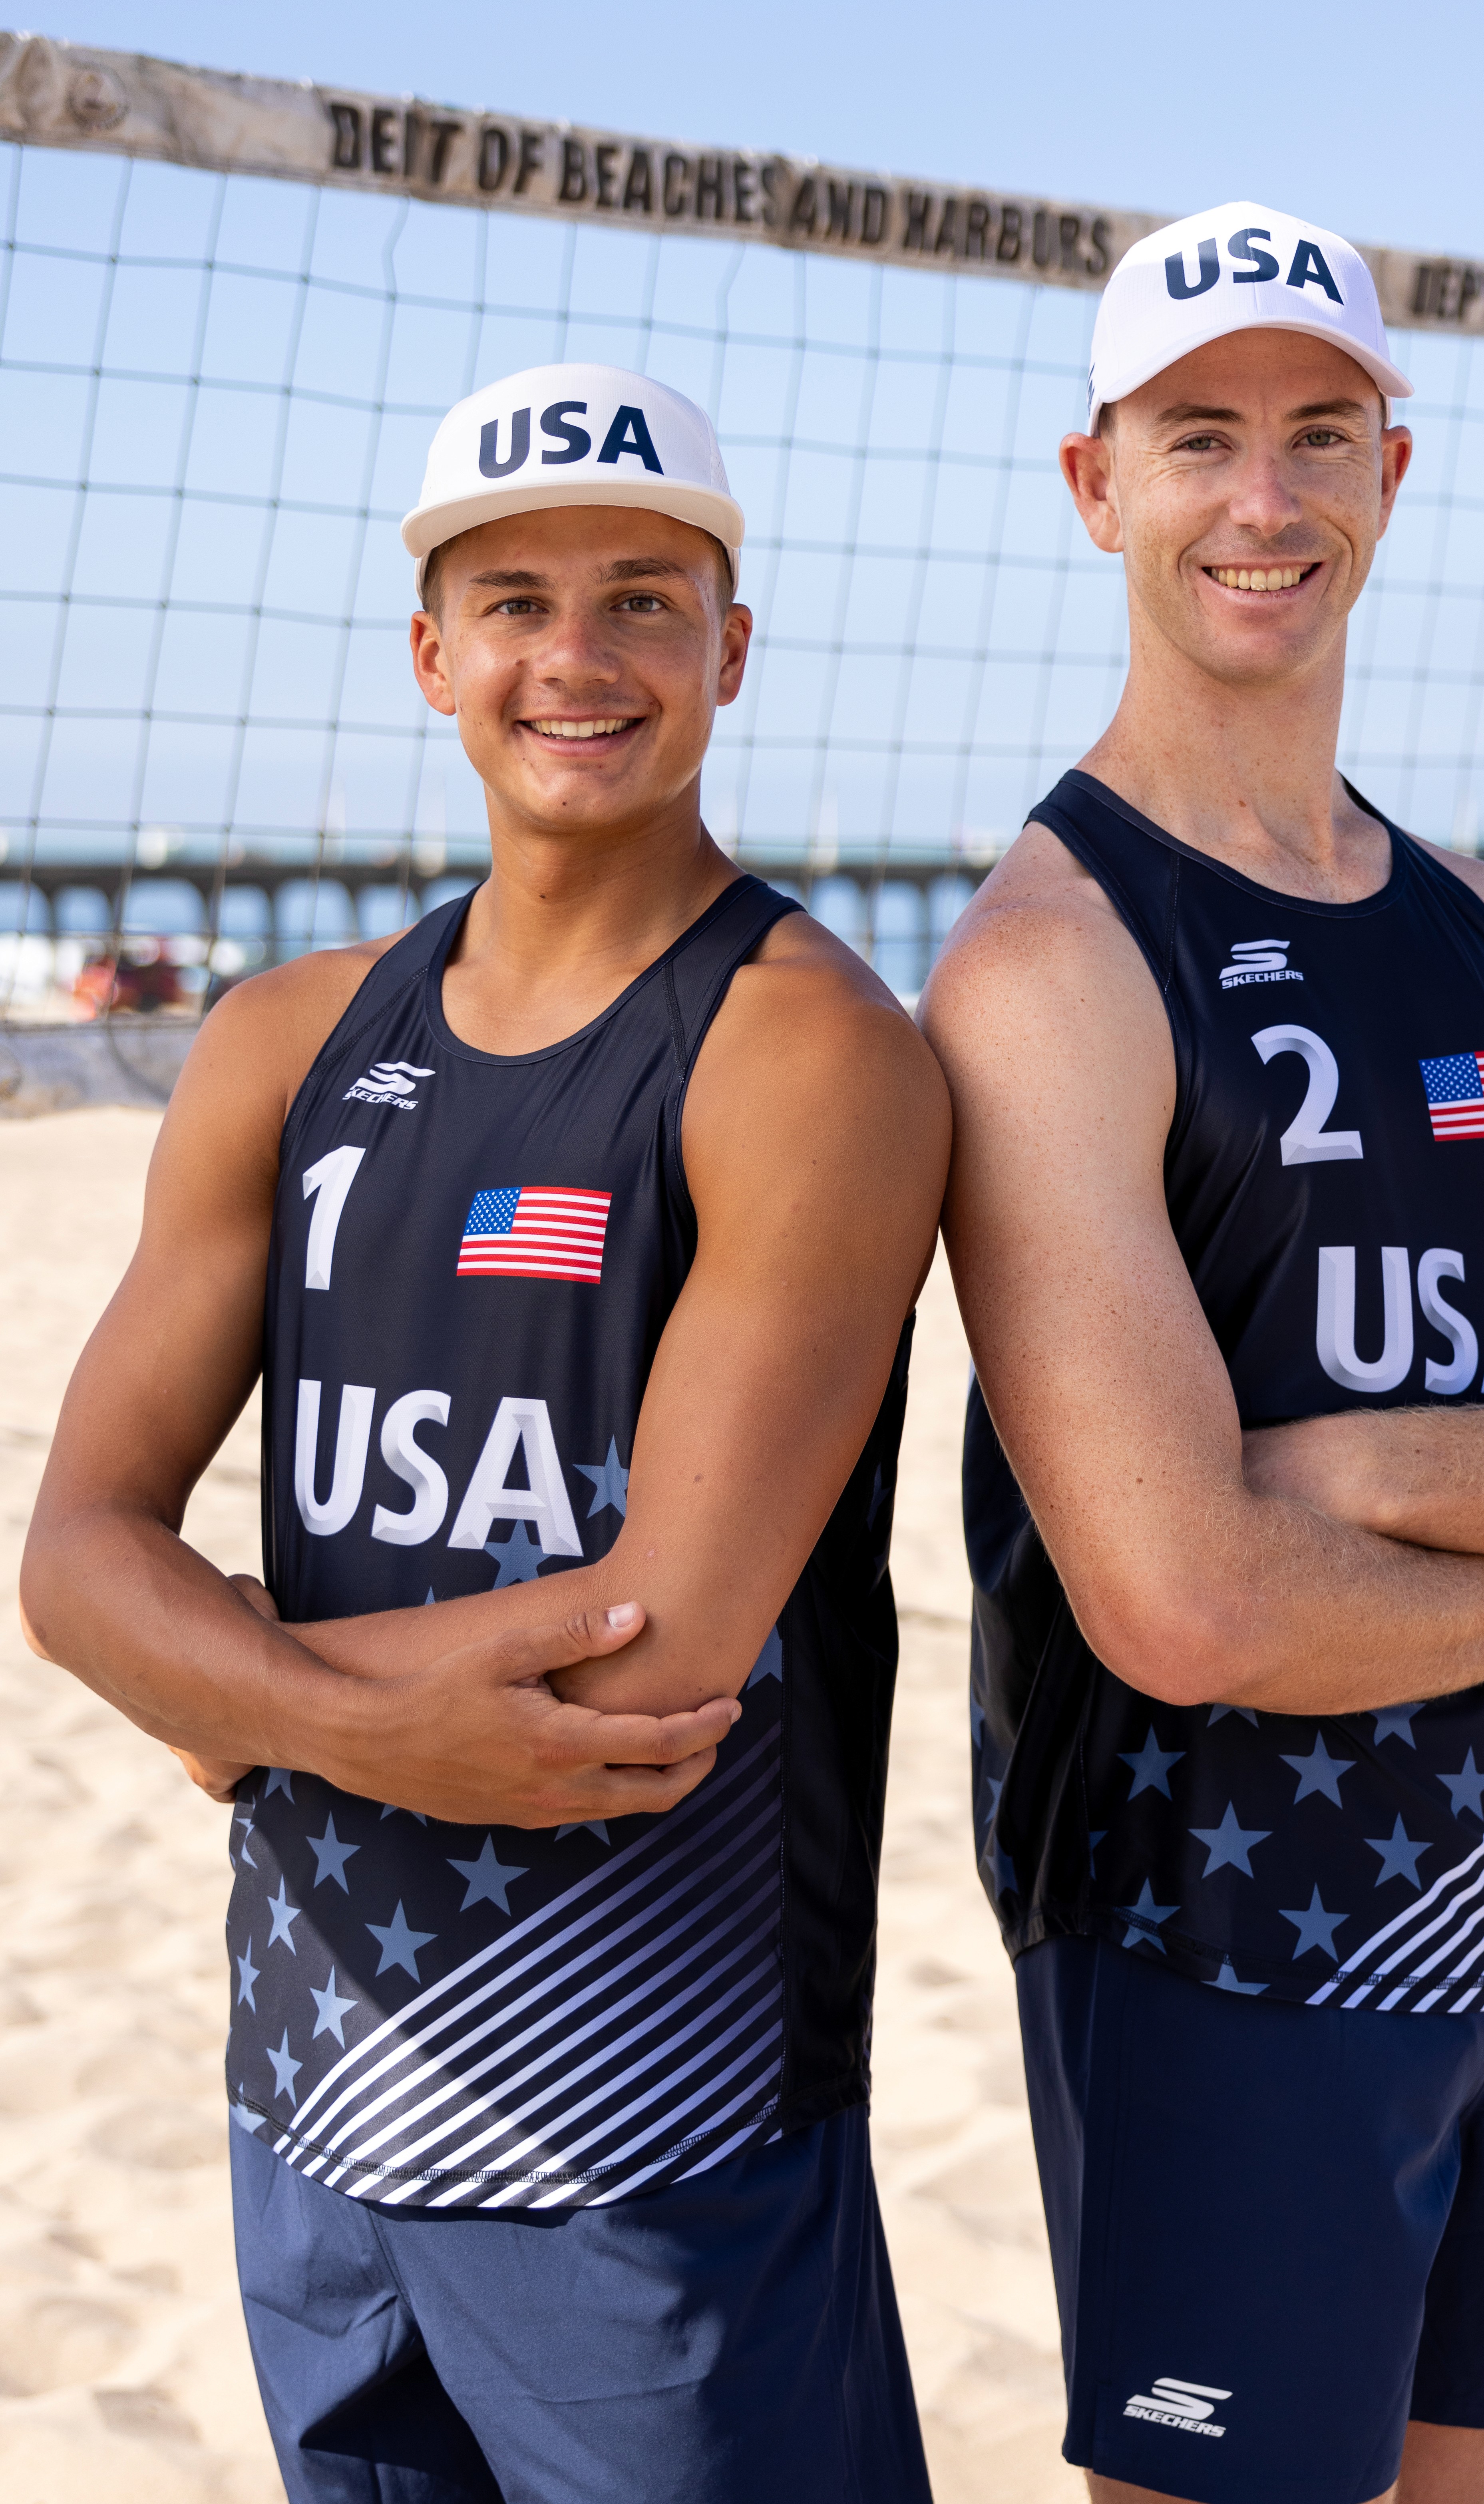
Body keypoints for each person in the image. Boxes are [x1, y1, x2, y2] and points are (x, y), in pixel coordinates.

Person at [921, 202, 1484, 2504]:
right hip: (1206, 1934)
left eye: (1322, 436)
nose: (1266, 497)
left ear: (1391, 479)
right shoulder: (1050, 967)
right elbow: (1185, 1606)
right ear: (1094, 483)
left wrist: (1362, 1469)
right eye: (1199, 437)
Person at [22, 361, 949, 2504]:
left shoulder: (809, 1053)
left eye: (645, 595)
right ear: (432, 650)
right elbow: (72, 1549)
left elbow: (653, 1658)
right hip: (314, 2093)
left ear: (733, 646)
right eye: (515, 595)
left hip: (650, 2126)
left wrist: (229, 1692)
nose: (579, 653)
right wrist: (282, 1698)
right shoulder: (280, 1041)